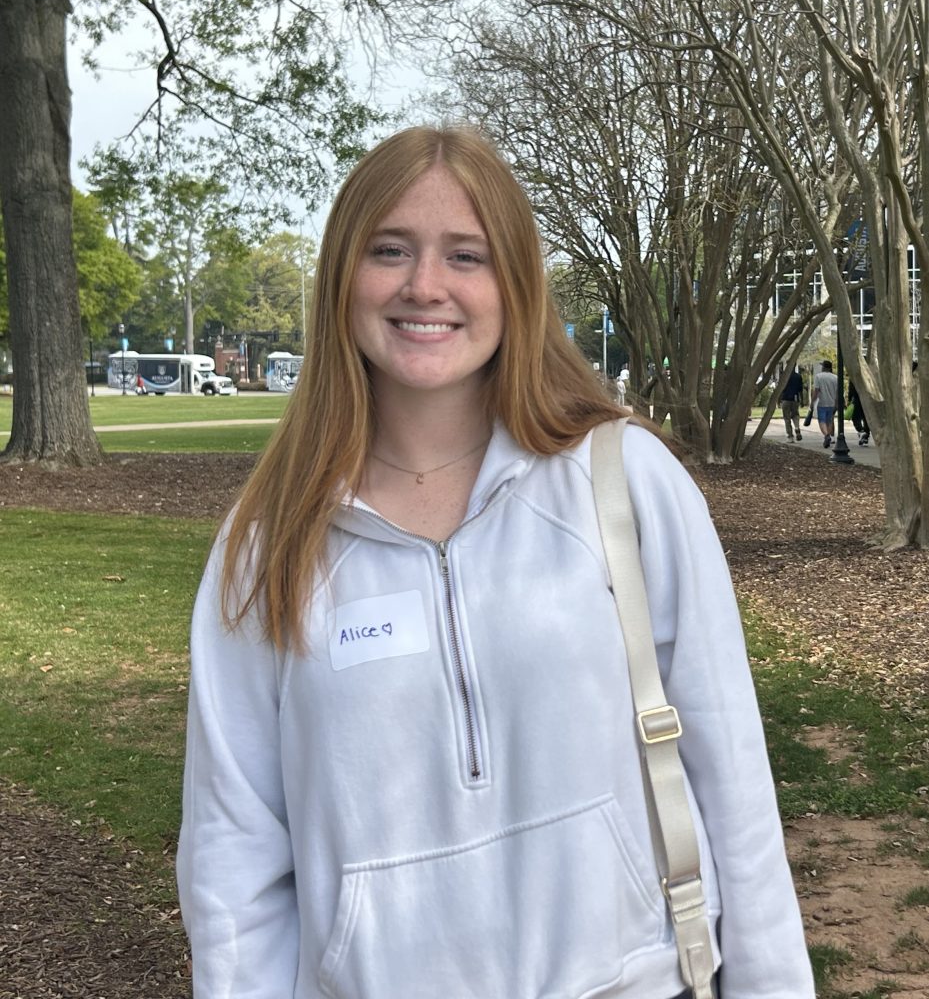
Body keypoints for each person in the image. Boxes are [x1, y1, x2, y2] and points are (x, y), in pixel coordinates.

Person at [177, 126, 814, 999]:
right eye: (389, 250)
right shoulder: (267, 544)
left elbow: (732, 779)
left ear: (514, 284)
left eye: (465, 255)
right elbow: (232, 858)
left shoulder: (623, 481)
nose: (423, 286)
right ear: (340, 279)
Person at [811, 358, 839, 448]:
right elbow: (838, 392)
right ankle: (830, 435)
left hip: (822, 402)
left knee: (822, 421)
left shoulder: (819, 376)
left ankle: (826, 435)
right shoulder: (835, 378)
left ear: (824, 367)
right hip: (832, 402)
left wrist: (812, 401)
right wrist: (836, 403)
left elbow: (816, 391)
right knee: (829, 421)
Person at [779, 366, 804, 441]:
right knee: (795, 415)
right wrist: (801, 400)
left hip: (785, 398)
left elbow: (780, 388)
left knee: (787, 418)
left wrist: (778, 399)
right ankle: (797, 427)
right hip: (795, 398)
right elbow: (800, 389)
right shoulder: (798, 376)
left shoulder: (784, 376)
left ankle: (790, 436)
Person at [847, 378, 869, 446]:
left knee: (855, 417)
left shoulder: (853, 377)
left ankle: (861, 431)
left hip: (857, 399)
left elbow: (851, 389)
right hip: (867, 399)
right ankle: (866, 435)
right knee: (866, 418)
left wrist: (849, 399)